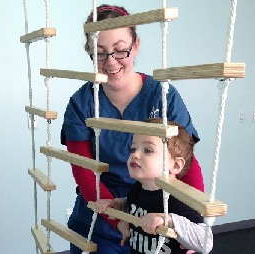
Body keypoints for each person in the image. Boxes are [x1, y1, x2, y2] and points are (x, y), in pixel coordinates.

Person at [61, 4, 204, 254]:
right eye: (100, 53)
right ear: (89, 52)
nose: (111, 62)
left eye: (120, 50)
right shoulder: (80, 104)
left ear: (135, 46)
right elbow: (85, 175)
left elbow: (186, 160)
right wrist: (120, 219)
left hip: (155, 217)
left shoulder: (163, 96)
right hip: (101, 218)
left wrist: (193, 223)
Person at [94, 118, 213, 254]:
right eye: (133, 149)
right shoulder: (138, 188)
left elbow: (206, 242)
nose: (135, 154)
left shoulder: (179, 199)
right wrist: (118, 204)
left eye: (148, 150)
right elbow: (132, 203)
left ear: (175, 165)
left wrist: (168, 220)